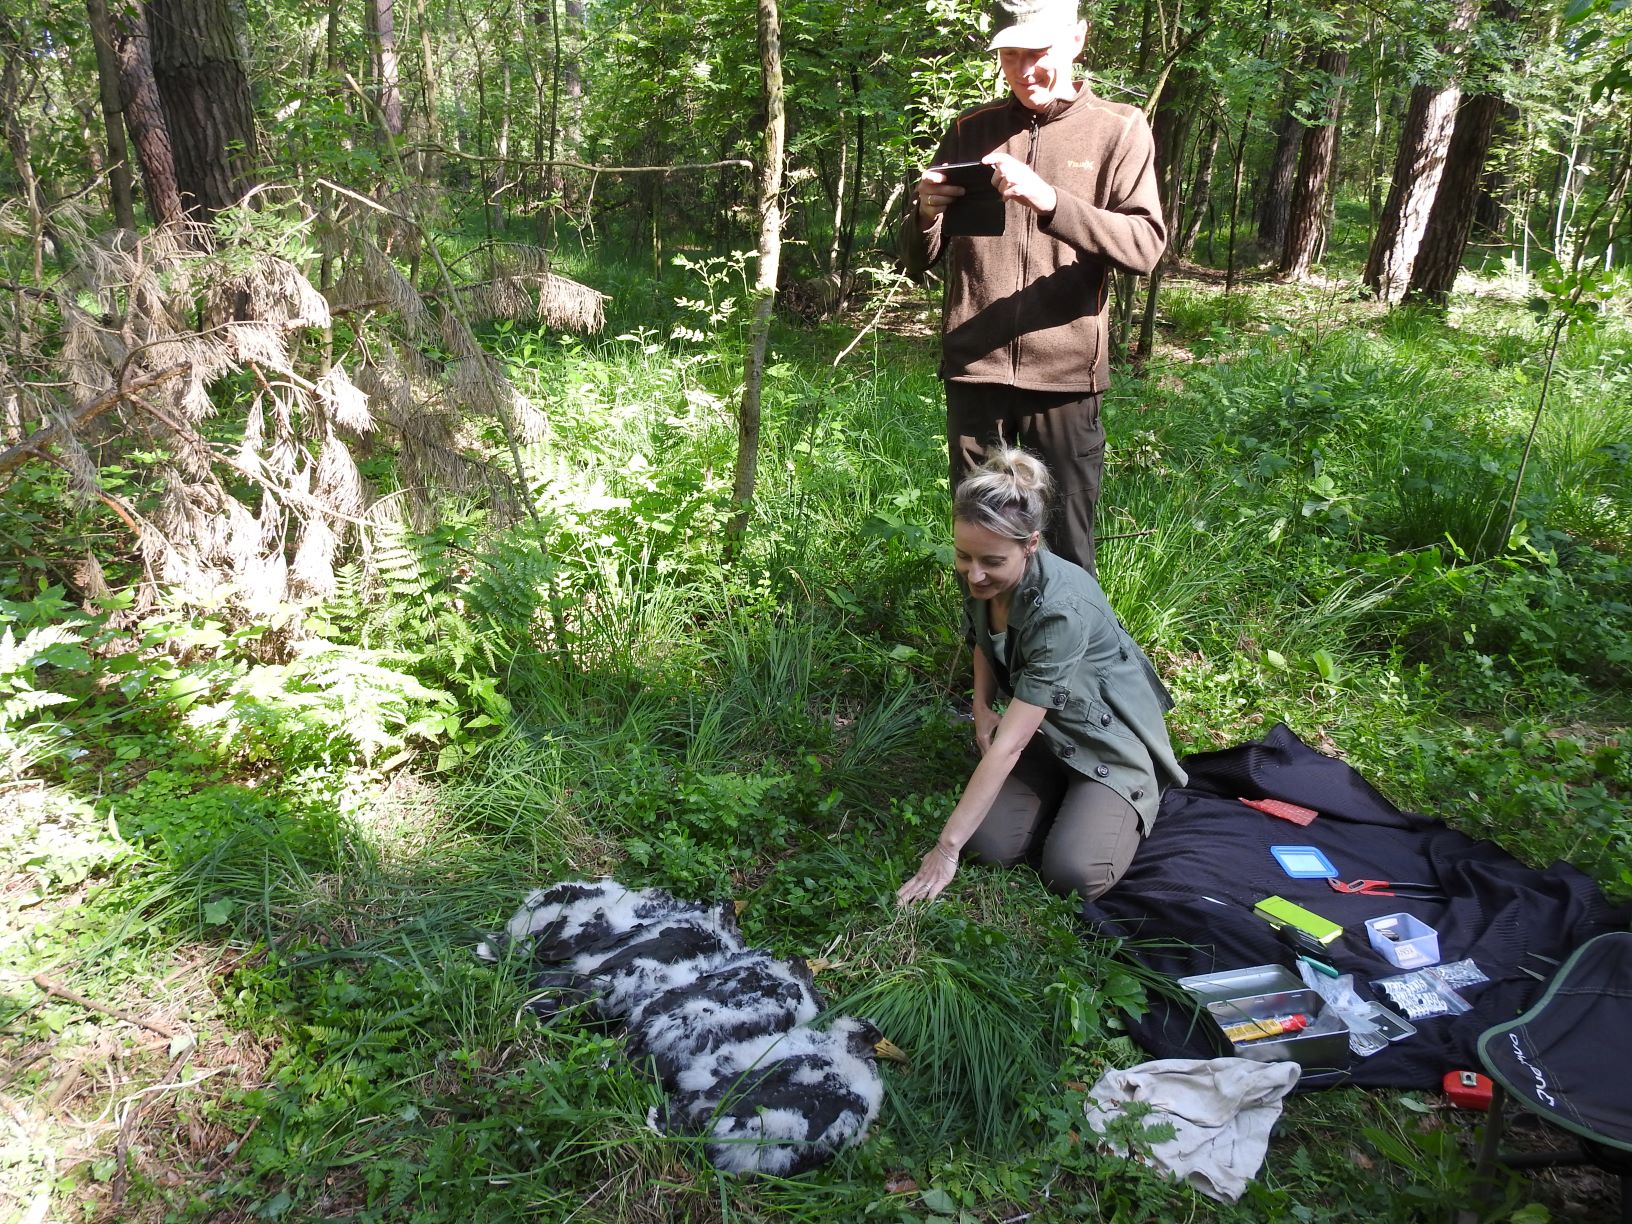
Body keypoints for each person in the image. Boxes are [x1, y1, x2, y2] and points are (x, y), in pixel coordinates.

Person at [901, 0, 1166, 576]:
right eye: (1010, 55)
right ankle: (990, 659)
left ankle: (1067, 663)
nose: (1023, 71)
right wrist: (925, 213)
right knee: (984, 546)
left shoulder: (1119, 128)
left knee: (1066, 549)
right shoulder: (973, 130)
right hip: (977, 373)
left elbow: (1145, 245)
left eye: (1037, 53)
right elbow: (919, 257)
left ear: (1076, 40)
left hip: (1065, 379)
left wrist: (1050, 201)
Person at [896, 448, 1184, 906]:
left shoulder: (1058, 612)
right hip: (1044, 730)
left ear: (1030, 545)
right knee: (989, 847)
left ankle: (1118, 797)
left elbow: (1009, 744)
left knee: (1072, 875)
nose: (974, 574)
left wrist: (944, 849)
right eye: (963, 556)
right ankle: (1061, 794)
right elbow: (983, 641)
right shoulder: (982, 571)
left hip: (1104, 739)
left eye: (990, 561)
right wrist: (980, 706)